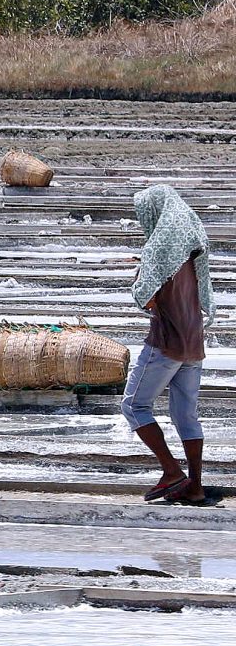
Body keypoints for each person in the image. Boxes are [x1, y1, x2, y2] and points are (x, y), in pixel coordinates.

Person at [125, 183, 213, 503]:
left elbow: (145, 297)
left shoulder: (158, 249)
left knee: (134, 405)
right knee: (186, 414)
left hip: (167, 341)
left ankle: (171, 470)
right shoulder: (191, 246)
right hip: (194, 339)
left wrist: (140, 272)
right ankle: (195, 486)